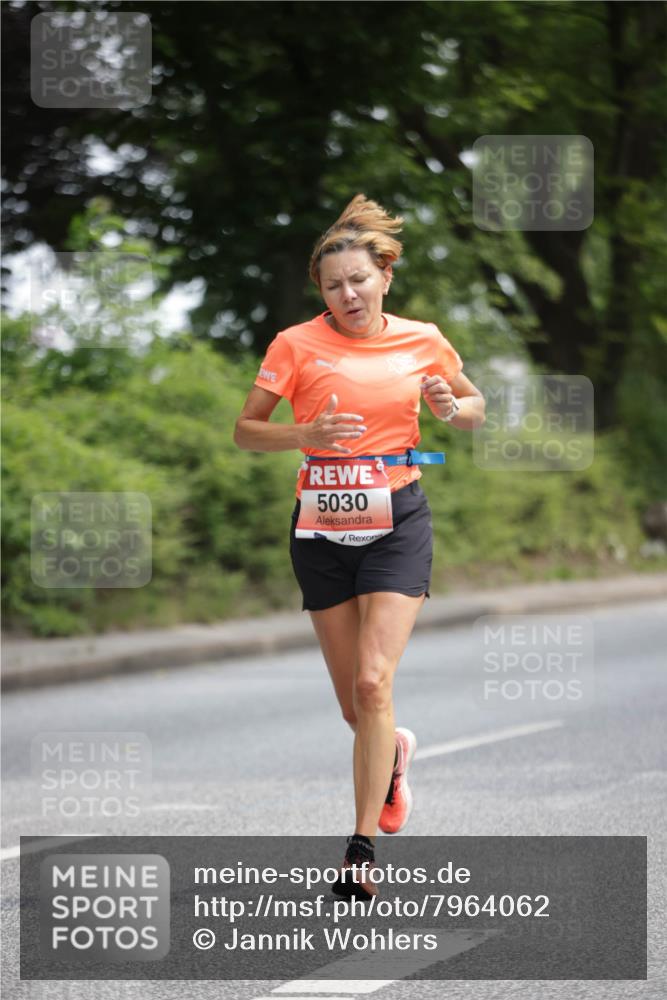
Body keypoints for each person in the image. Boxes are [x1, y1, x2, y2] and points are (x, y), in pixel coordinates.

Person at [234, 194, 485, 898]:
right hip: (318, 525)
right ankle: (393, 756)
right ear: (320, 290)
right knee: (357, 709)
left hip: (397, 517)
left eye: (358, 281)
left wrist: (448, 408)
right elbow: (245, 430)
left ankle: (360, 850)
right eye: (333, 284)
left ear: (384, 278)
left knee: (375, 682)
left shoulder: (422, 338)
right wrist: (301, 436)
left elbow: (472, 408)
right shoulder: (294, 344)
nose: (347, 294)